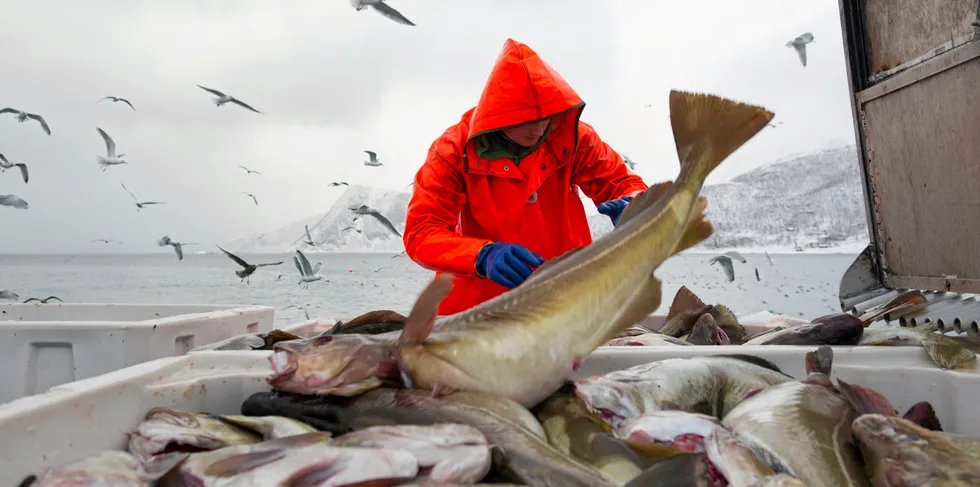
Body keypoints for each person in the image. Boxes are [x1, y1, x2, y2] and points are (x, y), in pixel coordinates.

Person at [403, 38, 649, 315]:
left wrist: (636, 205)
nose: (537, 129)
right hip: (476, 313)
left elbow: (622, 183)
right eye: (524, 119)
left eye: (545, 116)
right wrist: (481, 256)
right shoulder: (452, 150)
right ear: (496, 113)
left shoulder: (574, 137)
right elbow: (421, 232)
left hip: (568, 303)